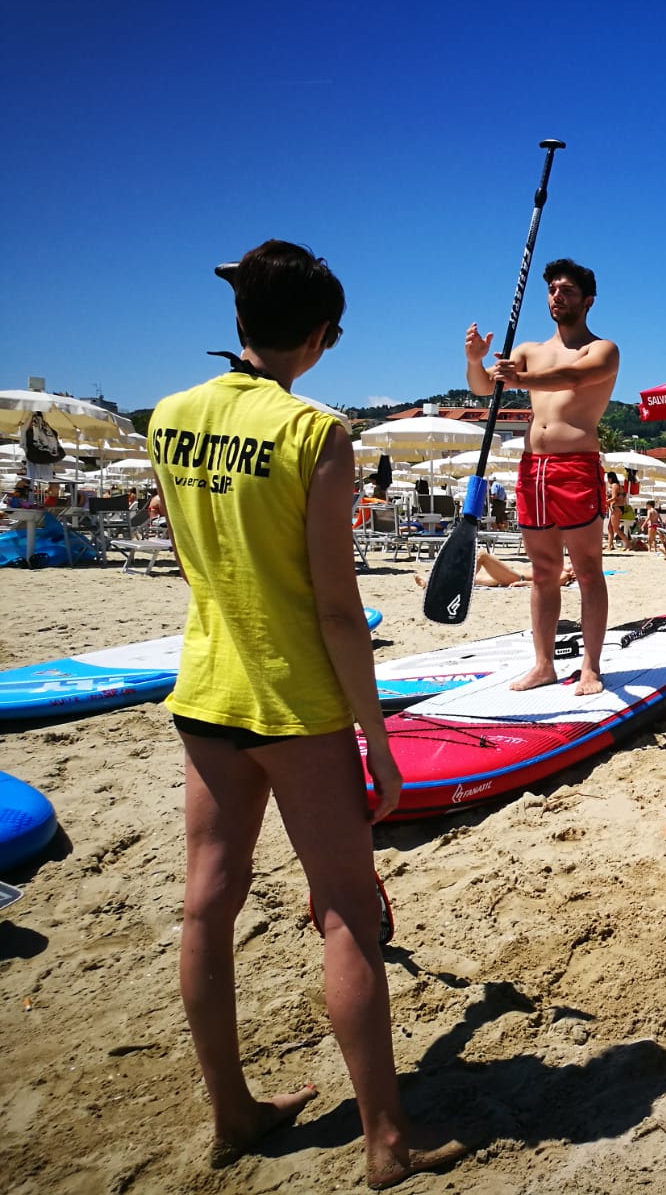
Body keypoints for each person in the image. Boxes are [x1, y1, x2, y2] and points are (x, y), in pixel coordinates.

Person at [148, 241, 467, 1188]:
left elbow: (196, 561)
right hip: (297, 704)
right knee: (347, 915)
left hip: (208, 691)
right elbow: (336, 609)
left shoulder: (169, 416)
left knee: (207, 904)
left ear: (239, 318)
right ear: (322, 336)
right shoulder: (316, 432)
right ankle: (386, 1141)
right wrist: (380, 740)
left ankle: (233, 1113)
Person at [465, 259, 618, 696]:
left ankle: (590, 668)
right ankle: (543, 665)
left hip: (577, 466)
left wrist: (519, 378)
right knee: (544, 570)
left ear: (588, 301)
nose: (557, 296)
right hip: (533, 468)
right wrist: (474, 361)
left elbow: (572, 378)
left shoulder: (603, 349)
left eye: (567, 290)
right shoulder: (529, 350)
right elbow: (483, 387)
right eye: (552, 289)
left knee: (587, 569)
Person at [411, 549, 572, 589]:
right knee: (473, 579)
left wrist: (523, 584)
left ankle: (436, 583)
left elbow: (548, 585)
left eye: (571, 563)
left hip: (516, 577)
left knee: (482, 556)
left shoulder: (564, 575)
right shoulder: (556, 567)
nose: (569, 561)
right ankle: (432, 583)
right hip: (510, 574)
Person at [603, 470, 626, 550]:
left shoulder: (614, 485)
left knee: (616, 529)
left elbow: (614, 497)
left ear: (611, 478)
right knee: (610, 527)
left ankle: (628, 543)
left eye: (608, 478)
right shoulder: (618, 486)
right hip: (618, 508)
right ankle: (610, 546)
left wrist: (605, 502)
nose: (608, 480)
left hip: (617, 508)